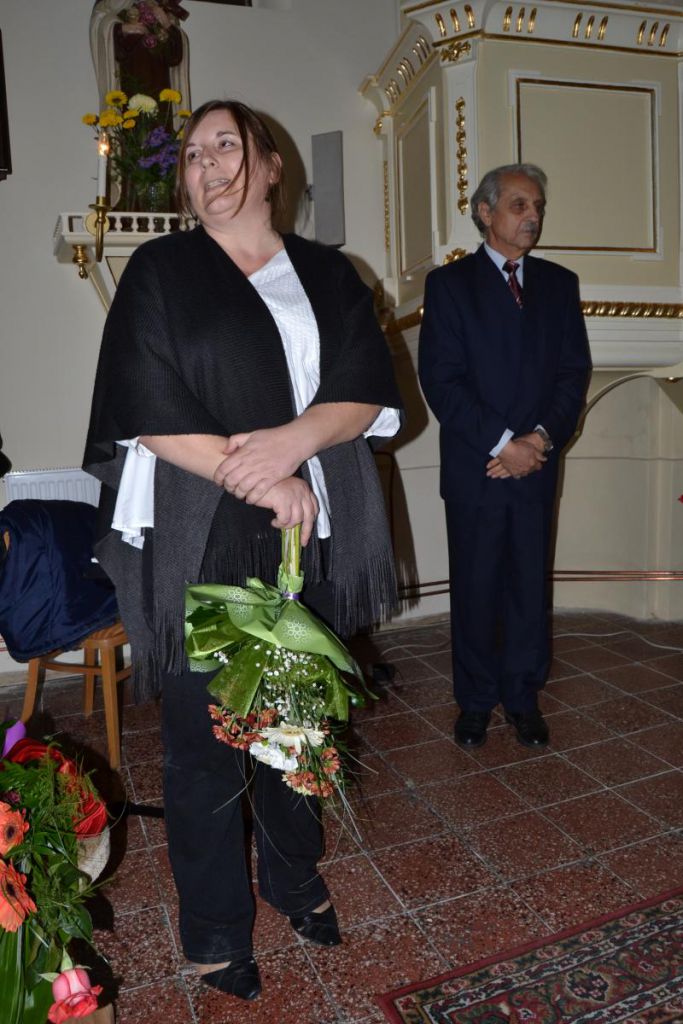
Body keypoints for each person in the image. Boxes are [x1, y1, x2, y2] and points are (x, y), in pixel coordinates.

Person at [84, 99, 401, 1002]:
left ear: (268, 166)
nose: (207, 163)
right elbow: (142, 403)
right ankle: (216, 930)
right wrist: (260, 478)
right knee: (205, 743)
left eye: (226, 145)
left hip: (310, 531)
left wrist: (293, 446)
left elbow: (363, 386)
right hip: (204, 533)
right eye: (192, 154)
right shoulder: (161, 269)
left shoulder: (328, 272)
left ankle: (294, 880)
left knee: (298, 725)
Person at [418, 163, 591, 751]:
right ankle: (474, 702)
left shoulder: (560, 284)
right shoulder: (449, 286)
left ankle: (522, 698)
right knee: (476, 587)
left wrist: (538, 441)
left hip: (536, 464)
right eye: (520, 205)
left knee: (528, 588)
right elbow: (442, 381)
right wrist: (502, 444)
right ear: (486, 212)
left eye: (537, 206)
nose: (533, 216)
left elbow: (573, 374)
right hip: (478, 466)